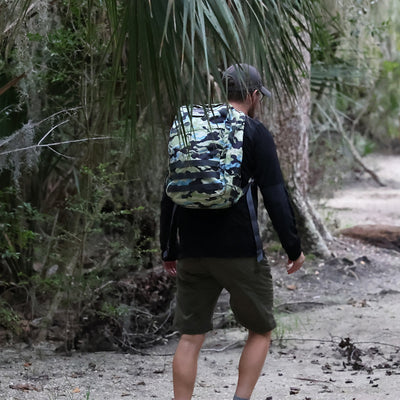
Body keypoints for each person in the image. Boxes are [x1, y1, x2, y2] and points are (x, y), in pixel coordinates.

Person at [160, 63, 305, 400]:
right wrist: (292, 247)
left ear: (225, 90)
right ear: (254, 95)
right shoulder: (254, 132)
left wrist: (169, 248)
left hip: (192, 249)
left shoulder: (191, 129)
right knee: (261, 329)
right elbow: (275, 195)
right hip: (240, 250)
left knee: (191, 336)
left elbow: (169, 191)